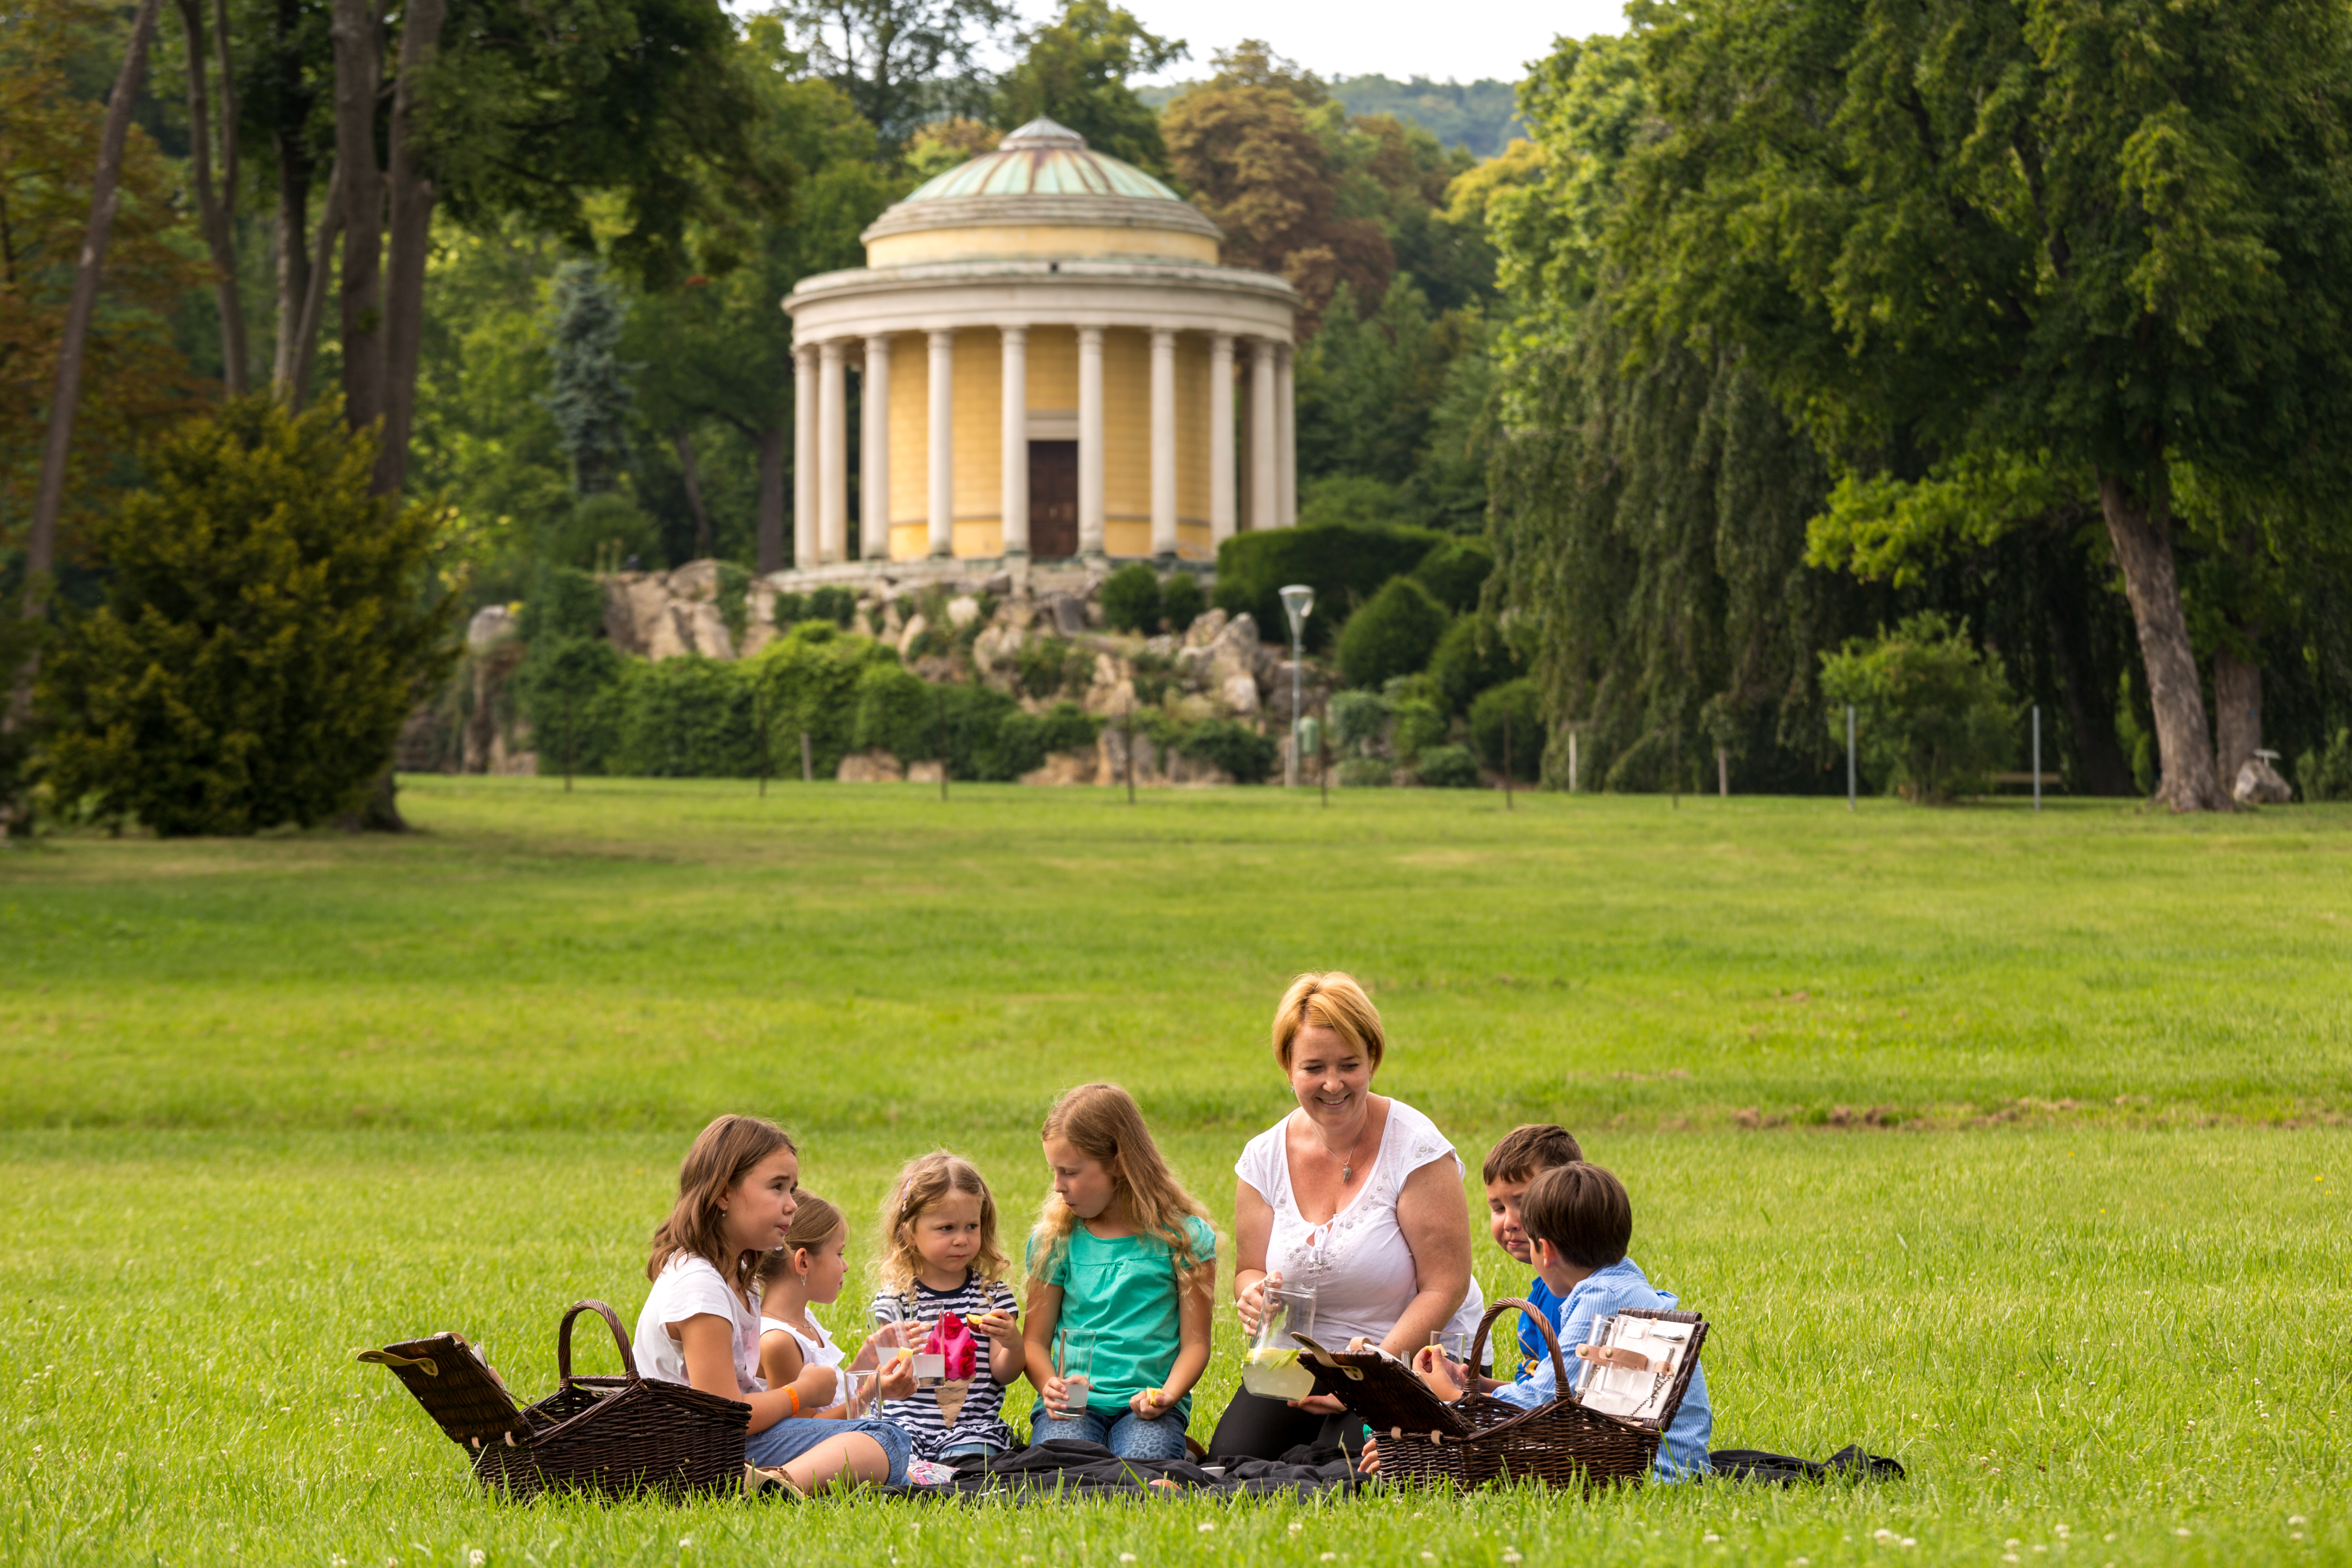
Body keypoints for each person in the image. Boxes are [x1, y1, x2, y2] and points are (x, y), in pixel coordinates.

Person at [1209, 971, 1481, 1459]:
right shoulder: (1262, 1157)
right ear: (1288, 1069)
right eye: (1314, 1067)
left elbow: (1446, 1286)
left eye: (1349, 1065)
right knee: (1232, 1460)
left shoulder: (1417, 1148)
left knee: (1351, 1468)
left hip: (1403, 1359)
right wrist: (1251, 1295)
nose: (1333, 1084)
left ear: (1373, 1060)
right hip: (1299, 1361)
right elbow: (1248, 1270)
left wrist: (1366, 1374)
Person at [632, 1114, 913, 1494]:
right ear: (723, 1193)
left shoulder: (734, 1275)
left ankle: (771, 1480)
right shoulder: (699, 1286)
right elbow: (724, 1416)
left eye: (793, 1190)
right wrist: (799, 1393)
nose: (791, 1205)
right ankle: (764, 1488)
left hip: (724, 1443)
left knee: (884, 1439)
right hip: (699, 1452)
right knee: (888, 1441)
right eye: (777, 1188)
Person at [1379, 1162, 1713, 1481]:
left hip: (1656, 1474)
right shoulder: (1623, 1284)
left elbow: (1543, 1404)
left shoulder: (1600, 1299)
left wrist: (1450, 1398)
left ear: (1546, 1251)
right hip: (1663, 1463)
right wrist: (1479, 1387)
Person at [1023, 1083, 1218, 1459]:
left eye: (1069, 1172)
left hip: (1147, 1408)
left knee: (1141, 1474)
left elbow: (1196, 1345)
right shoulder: (1055, 1240)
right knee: (1061, 1470)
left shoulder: (1184, 1238)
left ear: (1117, 1162)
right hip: (1074, 1404)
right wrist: (1049, 1386)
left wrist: (1167, 1396)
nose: (1057, 1186)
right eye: (1054, 1171)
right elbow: (1034, 1342)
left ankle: (1173, 1449)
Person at [869, 1151, 1025, 1466]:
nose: (961, 1240)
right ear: (909, 1233)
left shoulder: (991, 1298)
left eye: (971, 1226)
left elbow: (1005, 1373)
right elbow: (884, 1379)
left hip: (971, 1430)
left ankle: (947, 1470)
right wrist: (902, 1358)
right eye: (946, 1228)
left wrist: (1012, 1342)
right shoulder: (895, 1302)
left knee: (972, 1461)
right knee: (880, 1458)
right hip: (902, 1428)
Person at [753, 1194, 905, 1421]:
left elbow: (830, 1400)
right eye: (839, 1254)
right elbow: (806, 1431)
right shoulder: (778, 1341)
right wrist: (872, 1393)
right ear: (803, 1262)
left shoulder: (802, 1318)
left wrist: (864, 1362)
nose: (846, 1266)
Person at [1481, 1123, 1585, 1382]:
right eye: (1499, 1208)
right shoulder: (1545, 1289)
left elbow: (1554, 1402)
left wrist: (1460, 1396)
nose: (1509, 1223)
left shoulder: (1573, 1296)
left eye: (1524, 1203)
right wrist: (1478, 1386)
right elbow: (1535, 1388)